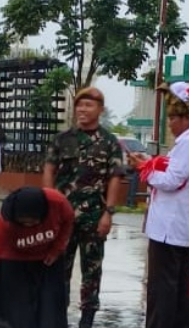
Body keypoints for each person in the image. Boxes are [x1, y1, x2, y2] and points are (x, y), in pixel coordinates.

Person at [43, 87, 126, 328]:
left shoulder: (109, 142)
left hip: (94, 216)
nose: (82, 110)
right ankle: (57, 319)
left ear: (100, 110)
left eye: (89, 105)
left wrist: (108, 213)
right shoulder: (62, 139)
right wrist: (49, 205)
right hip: (62, 217)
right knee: (59, 269)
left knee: (92, 271)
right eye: (80, 105)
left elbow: (115, 177)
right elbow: (49, 169)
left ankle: (87, 320)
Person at [134, 82, 189, 328]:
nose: (169, 124)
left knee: (162, 291)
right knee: (179, 291)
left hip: (168, 229)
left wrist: (145, 171)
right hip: (179, 228)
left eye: (172, 118)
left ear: (187, 117)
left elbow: (171, 180)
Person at [0, 186, 75, 328]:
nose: (29, 226)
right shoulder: (6, 221)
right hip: (14, 263)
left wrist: (56, 249)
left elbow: (68, 221)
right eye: (23, 223)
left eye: (33, 222)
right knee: (17, 320)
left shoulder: (57, 202)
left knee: (51, 315)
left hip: (48, 262)